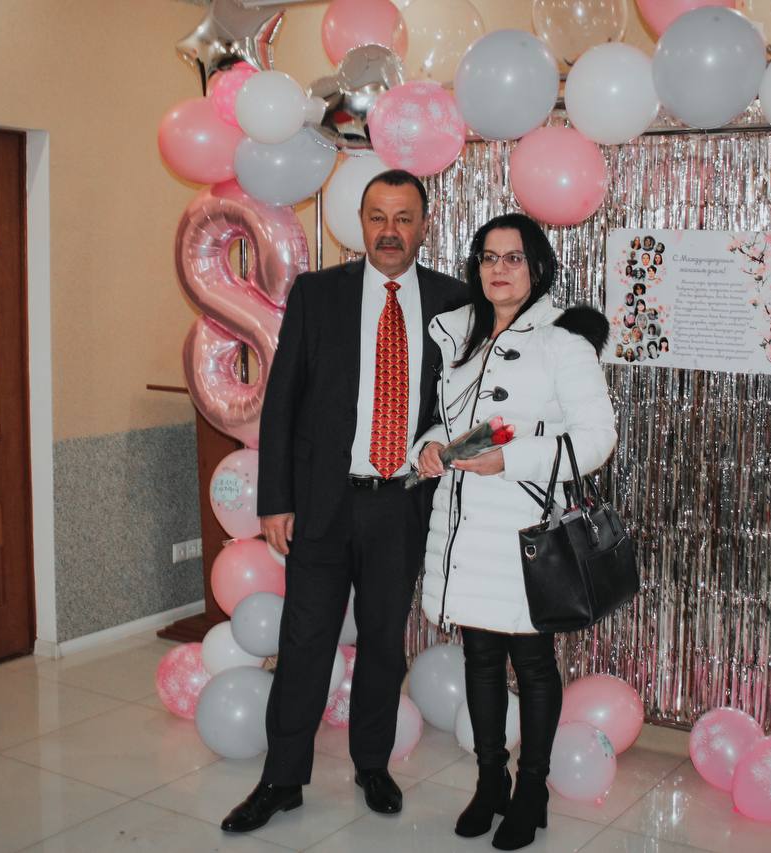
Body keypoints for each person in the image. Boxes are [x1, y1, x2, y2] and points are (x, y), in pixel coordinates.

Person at [221, 170, 464, 833]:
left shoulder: (454, 301)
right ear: (361, 223)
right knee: (305, 641)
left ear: (424, 225)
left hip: (402, 505)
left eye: (404, 218)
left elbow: (461, 403)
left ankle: (372, 764)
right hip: (323, 504)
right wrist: (276, 500)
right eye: (378, 216)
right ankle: (281, 779)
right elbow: (283, 401)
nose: (390, 230)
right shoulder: (318, 293)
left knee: (384, 641)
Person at [413, 213, 616, 850]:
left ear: (537, 268)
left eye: (514, 258)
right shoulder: (458, 336)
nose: (499, 270)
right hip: (463, 526)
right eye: (489, 257)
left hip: (524, 528)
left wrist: (512, 459)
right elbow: (447, 423)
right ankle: (490, 782)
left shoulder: (562, 344)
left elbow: (597, 439)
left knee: (531, 662)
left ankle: (532, 789)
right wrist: (429, 448)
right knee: (479, 657)